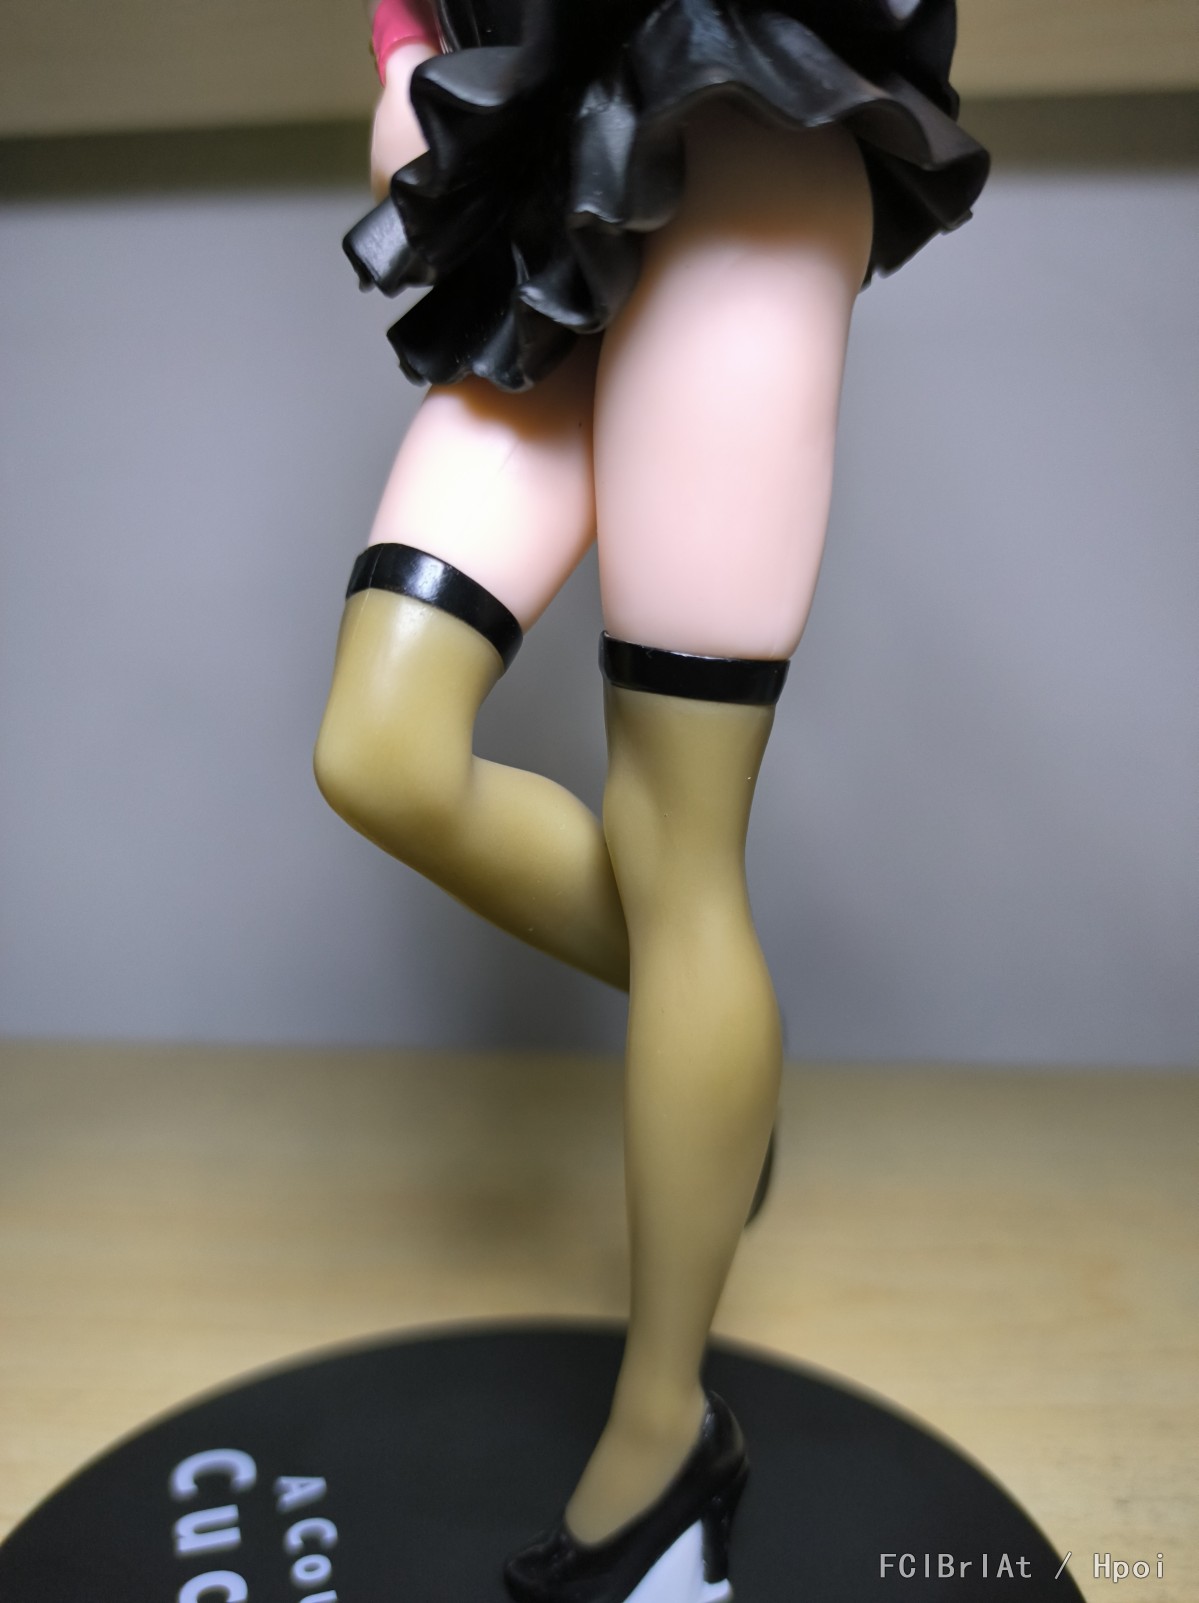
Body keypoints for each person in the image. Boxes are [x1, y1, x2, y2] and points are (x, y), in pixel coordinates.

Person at [316, 2, 988, 1597]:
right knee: (381, 751)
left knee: (678, 848)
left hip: (743, 122)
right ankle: (715, 1055)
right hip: (541, 188)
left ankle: (666, 1438)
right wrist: (405, 73)